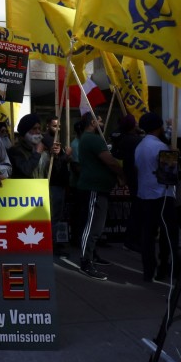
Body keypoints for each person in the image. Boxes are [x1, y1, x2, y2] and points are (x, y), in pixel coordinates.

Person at [76, 112, 125, 281]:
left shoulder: (90, 138)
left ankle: (92, 256)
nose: (102, 121)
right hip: (93, 189)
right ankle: (85, 262)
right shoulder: (92, 139)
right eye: (100, 119)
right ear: (92, 122)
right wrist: (122, 174)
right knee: (92, 227)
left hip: (98, 189)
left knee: (96, 226)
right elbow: (110, 161)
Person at [134, 112, 180, 282]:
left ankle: (148, 270)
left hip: (145, 195)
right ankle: (165, 269)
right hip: (162, 195)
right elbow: (170, 175)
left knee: (147, 235)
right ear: (158, 127)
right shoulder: (160, 147)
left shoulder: (140, 147)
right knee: (168, 236)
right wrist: (174, 156)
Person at [110, 114, 143, 252]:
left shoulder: (121, 140)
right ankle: (132, 240)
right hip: (138, 177)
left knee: (136, 208)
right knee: (138, 209)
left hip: (130, 176)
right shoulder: (135, 141)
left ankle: (131, 239)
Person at [42, 115, 72, 255]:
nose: (58, 128)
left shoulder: (56, 140)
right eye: (55, 126)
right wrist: (67, 156)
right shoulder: (48, 140)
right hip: (53, 183)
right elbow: (56, 164)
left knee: (57, 215)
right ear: (48, 126)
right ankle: (52, 245)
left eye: (59, 126)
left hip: (59, 183)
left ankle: (53, 243)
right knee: (54, 216)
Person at [7, 113, 47, 179]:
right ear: (25, 133)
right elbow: (25, 171)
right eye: (34, 129)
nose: (38, 132)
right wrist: (37, 153)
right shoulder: (15, 151)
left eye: (39, 128)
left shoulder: (43, 150)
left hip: (40, 188)